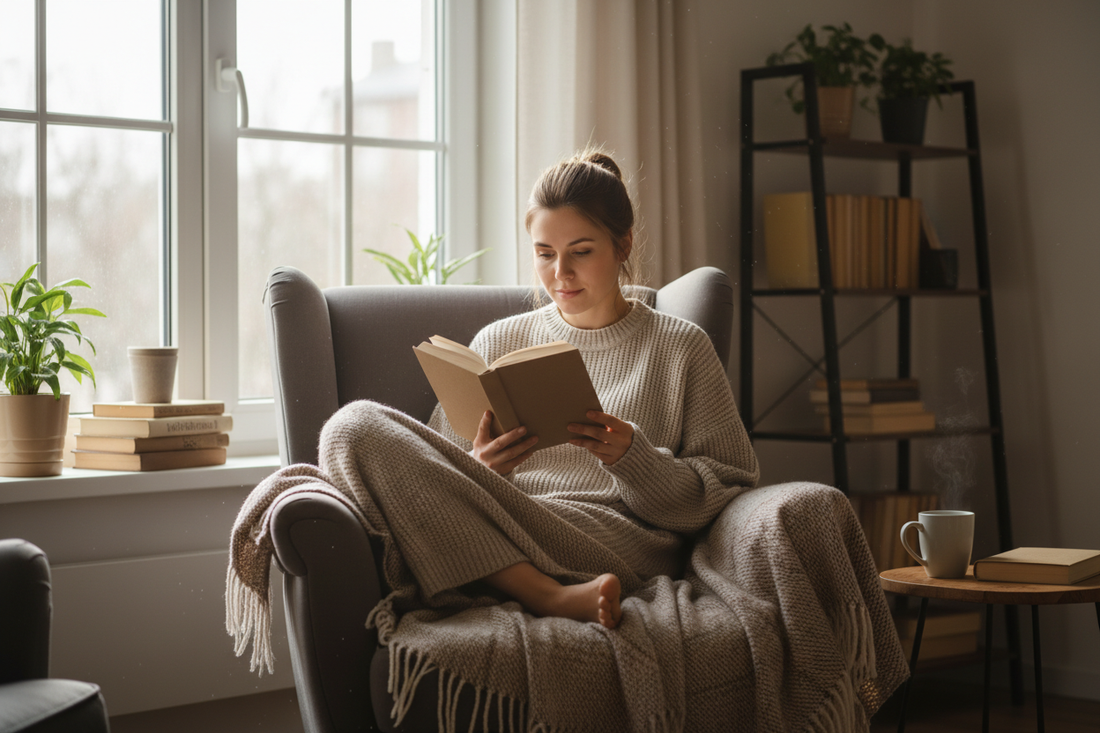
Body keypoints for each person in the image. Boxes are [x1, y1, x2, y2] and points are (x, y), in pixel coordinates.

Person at [404, 148, 760, 630]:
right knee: (353, 425)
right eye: (544, 254)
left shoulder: (681, 347)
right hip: (506, 520)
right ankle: (548, 594)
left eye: (581, 251)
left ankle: (515, 580)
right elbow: (432, 478)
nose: (561, 274)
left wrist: (636, 460)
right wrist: (481, 469)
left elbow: (728, 491)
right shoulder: (497, 341)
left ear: (623, 244)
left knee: (431, 525)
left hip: (607, 536)